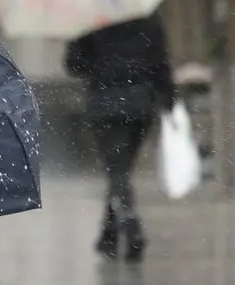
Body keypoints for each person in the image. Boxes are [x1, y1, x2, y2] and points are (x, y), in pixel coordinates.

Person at [65, 14, 177, 262]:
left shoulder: (91, 21)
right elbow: (161, 64)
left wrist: (81, 44)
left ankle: (130, 222)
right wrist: (168, 100)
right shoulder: (148, 21)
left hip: (106, 106)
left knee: (117, 171)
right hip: (140, 105)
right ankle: (110, 234)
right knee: (121, 170)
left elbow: (75, 66)